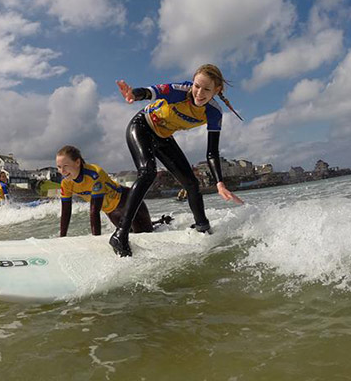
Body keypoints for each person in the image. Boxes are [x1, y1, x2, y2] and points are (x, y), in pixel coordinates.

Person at [109, 64, 244, 257]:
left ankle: (203, 228)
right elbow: (150, 92)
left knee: (191, 183)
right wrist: (133, 94)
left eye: (207, 89)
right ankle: (120, 234)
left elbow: (212, 152)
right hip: (142, 126)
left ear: (217, 90)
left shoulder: (214, 112)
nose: (199, 93)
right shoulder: (179, 91)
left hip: (163, 136)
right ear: (193, 82)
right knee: (148, 172)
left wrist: (220, 183)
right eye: (197, 86)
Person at [56, 145, 154, 238]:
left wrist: (95, 240)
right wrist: (62, 238)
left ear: (77, 162)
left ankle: (161, 223)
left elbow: (94, 211)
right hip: (111, 212)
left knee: (145, 235)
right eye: (59, 167)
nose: (62, 171)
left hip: (128, 202)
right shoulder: (65, 183)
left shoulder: (94, 174)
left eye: (65, 166)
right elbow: (66, 211)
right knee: (129, 237)